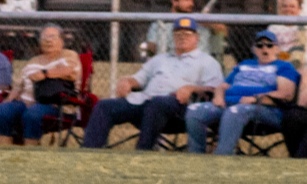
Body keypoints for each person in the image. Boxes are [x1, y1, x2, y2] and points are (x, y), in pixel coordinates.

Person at [81, 18, 223, 150]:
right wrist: (127, 81)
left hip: (179, 109)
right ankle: (91, 151)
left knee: (157, 103)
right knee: (104, 106)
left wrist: (192, 88)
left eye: (187, 34)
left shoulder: (207, 62)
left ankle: (143, 151)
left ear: (196, 38)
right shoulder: (160, 59)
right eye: (178, 34)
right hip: (145, 102)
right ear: (173, 37)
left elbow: (215, 89)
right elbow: (139, 79)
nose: (182, 37)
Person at [184, 29, 300, 155]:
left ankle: (222, 156)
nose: (264, 48)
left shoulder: (283, 66)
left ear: (277, 49)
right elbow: (223, 86)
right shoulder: (244, 64)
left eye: (269, 45)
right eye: (259, 45)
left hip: (264, 109)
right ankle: (196, 154)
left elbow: (286, 94)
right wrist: (218, 96)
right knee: (194, 110)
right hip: (229, 103)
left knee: (234, 112)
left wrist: (256, 99)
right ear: (254, 49)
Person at [0, 24, 80, 144]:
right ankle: (5, 151)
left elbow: (69, 71)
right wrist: (9, 99)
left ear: (61, 41)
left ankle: (30, 153)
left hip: (55, 104)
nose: (48, 40)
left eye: (52, 37)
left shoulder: (68, 55)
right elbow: (18, 85)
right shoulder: (33, 61)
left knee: (33, 113)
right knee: (2, 111)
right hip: (26, 102)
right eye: (44, 37)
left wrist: (45, 73)